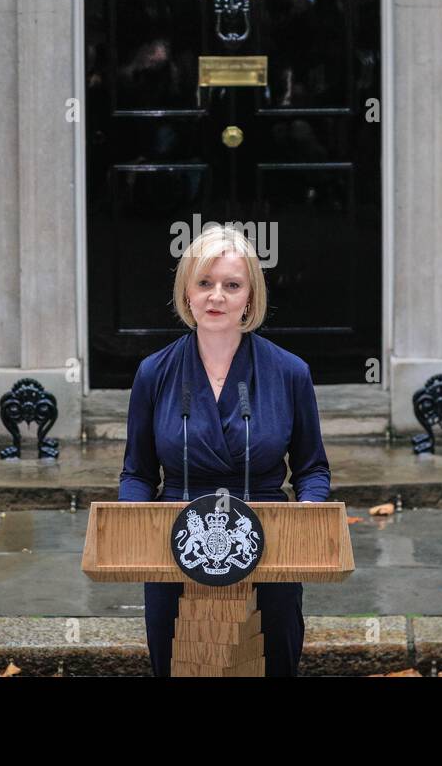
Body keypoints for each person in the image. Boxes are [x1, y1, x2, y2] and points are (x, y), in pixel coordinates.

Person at [117, 224, 332, 676]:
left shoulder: (291, 373)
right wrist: (132, 522)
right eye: (204, 283)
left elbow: (311, 468)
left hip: (270, 547)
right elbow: (137, 473)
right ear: (187, 294)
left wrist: (310, 511)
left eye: (231, 285)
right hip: (175, 546)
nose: (217, 296)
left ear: (250, 297)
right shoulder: (153, 373)